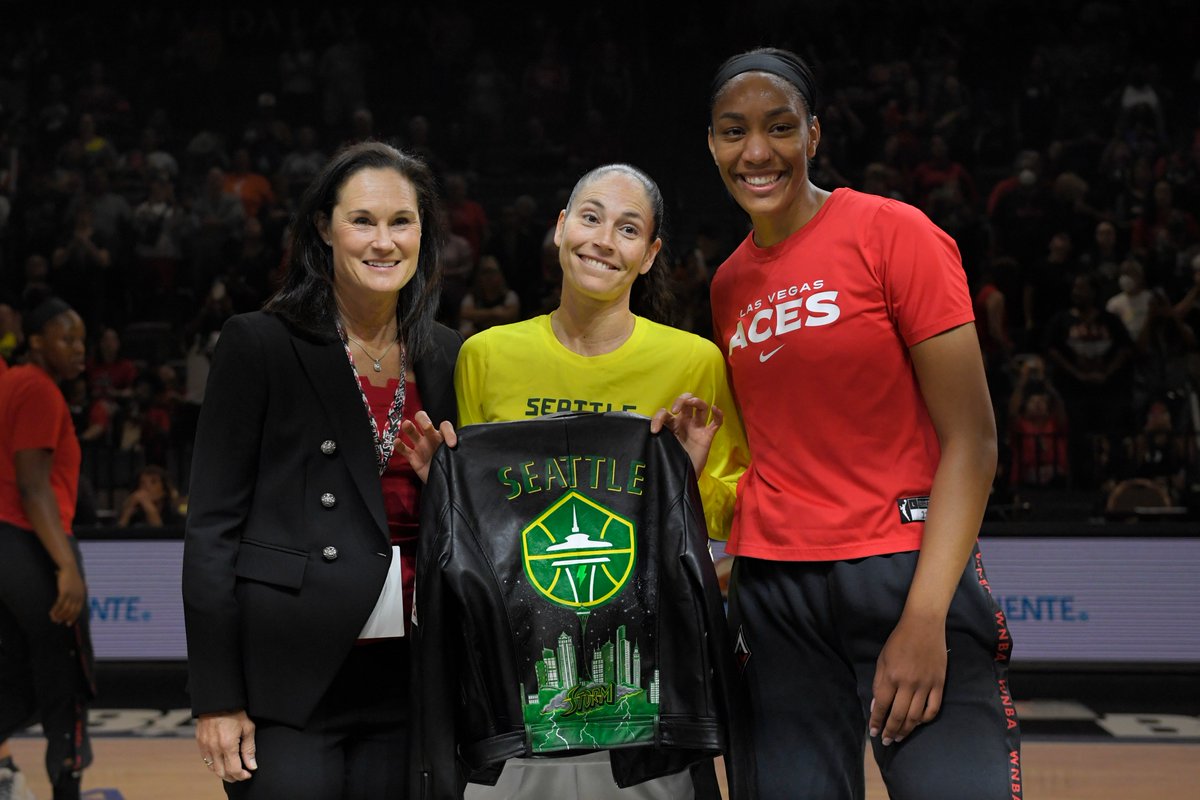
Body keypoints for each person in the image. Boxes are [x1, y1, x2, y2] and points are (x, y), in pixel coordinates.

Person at [705, 48, 1019, 800]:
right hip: (777, 599)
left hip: (904, 568)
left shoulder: (893, 232)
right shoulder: (727, 284)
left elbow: (972, 440)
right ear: (711, 144)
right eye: (732, 131)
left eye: (779, 128)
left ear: (813, 136)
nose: (756, 152)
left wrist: (923, 618)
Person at [445, 163, 750, 798]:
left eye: (628, 229)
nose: (604, 239)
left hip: (646, 696)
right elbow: (476, 526)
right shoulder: (487, 356)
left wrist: (685, 481)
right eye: (590, 217)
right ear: (560, 229)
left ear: (649, 255)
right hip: (521, 690)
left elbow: (728, 513)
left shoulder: (694, 362)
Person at [181, 141, 461, 798]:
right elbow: (212, 530)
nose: (384, 241)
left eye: (402, 221)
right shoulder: (260, 344)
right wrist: (217, 699)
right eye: (363, 220)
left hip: (413, 677)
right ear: (323, 229)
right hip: (291, 681)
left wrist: (443, 484)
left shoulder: (449, 354)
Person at [0, 294, 95, 800]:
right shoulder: (39, 391)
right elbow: (34, 486)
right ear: (35, 342)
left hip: (4, 549)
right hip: (31, 542)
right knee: (68, 680)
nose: (79, 348)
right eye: (66, 337)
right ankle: (67, 790)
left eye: (81, 338)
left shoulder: (8, 382)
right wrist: (66, 566)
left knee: (16, 678)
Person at [116, 464, 182, 528]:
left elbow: (160, 536)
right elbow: (116, 535)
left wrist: (147, 505)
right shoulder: (134, 515)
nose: (146, 486)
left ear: (164, 490)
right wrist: (126, 513)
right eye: (142, 482)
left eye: (153, 482)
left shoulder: (174, 517)